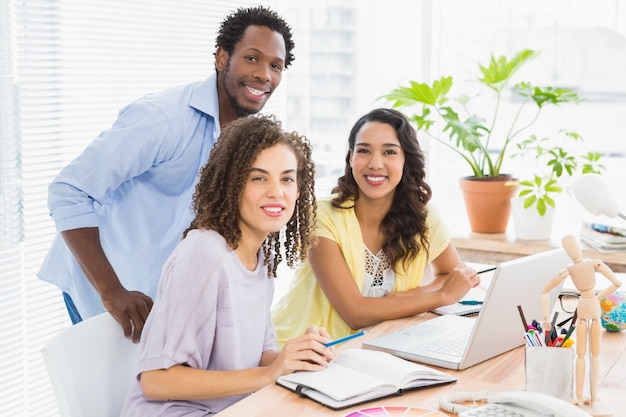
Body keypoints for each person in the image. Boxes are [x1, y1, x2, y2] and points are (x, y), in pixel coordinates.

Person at [37, 6, 296, 342]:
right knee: (118, 394)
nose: (264, 74)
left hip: (159, 296)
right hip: (106, 287)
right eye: (252, 58)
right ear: (222, 59)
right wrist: (111, 289)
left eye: (275, 65)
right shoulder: (164, 118)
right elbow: (69, 191)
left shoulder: (247, 139)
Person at [120, 115, 332, 416]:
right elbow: (156, 381)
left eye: (286, 178)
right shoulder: (204, 253)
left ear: (299, 189)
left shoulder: (262, 259)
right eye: (258, 178)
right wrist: (268, 375)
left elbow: (258, 356)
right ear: (232, 185)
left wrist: (298, 356)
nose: (276, 192)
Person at [272, 108, 480, 346]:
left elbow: (450, 275)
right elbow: (355, 313)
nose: (375, 163)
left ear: (406, 160)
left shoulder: (425, 217)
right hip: (301, 351)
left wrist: (411, 295)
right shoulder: (320, 216)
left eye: (389, 152)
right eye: (364, 151)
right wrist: (442, 296)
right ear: (351, 158)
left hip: (379, 347)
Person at [542, 234, 621, 414]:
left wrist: (546, 317)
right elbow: (616, 283)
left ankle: (583, 395)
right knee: (593, 354)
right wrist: (597, 297)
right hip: (590, 305)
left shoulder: (570, 269)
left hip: (585, 305)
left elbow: (545, 290)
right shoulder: (593, 263)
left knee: (583, 354)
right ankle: (589, 396)